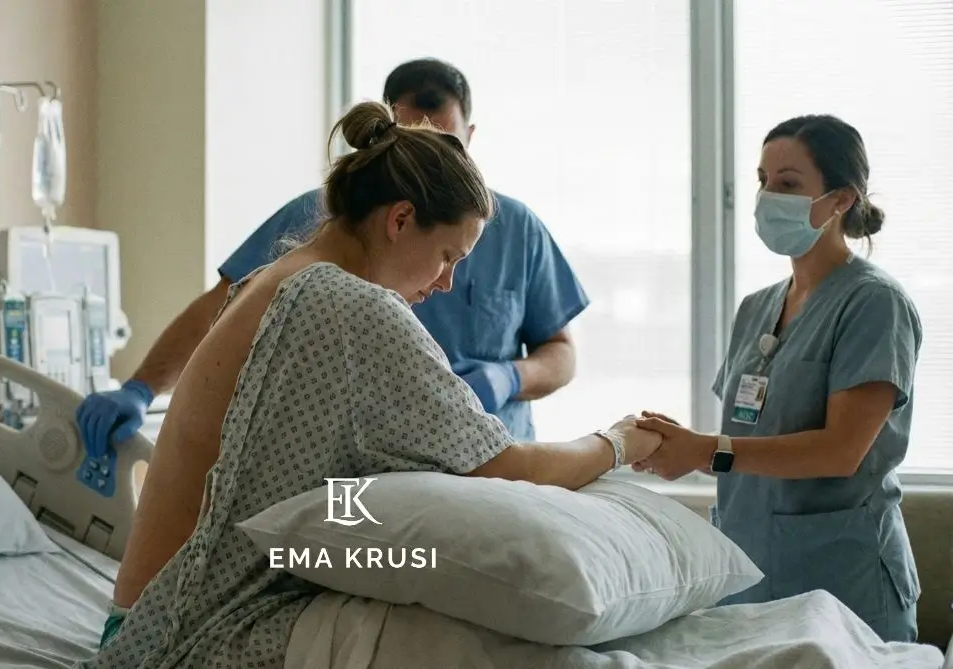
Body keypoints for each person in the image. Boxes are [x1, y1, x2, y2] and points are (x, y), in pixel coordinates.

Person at [80, 101, 663, 668]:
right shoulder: (347, 305)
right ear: (401, 219)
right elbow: (504, 465)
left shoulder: (281, 277)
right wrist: (618, 442)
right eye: (446, 257)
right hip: (191, 632)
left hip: (143, 620)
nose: (445, 283)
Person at [74, 58, 589, 453]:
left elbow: (560, 354)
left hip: (485, 454)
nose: (431, 168)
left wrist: (507, 377)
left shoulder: (517, 229)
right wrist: (140, 390)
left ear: (469, 140)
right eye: (413, 145)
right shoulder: (324, 246)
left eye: (446, 145)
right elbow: (224, 309)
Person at [633, 114, 922, 643]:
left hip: (843, 586)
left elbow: (841, 451)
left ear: (840, 200)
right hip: (750, 582)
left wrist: (707, 451)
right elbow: (748, 438)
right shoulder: (755, 308)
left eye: (788, 184)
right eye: (763, 181)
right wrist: (677, 445)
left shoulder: (875, 304)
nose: (767, 197)